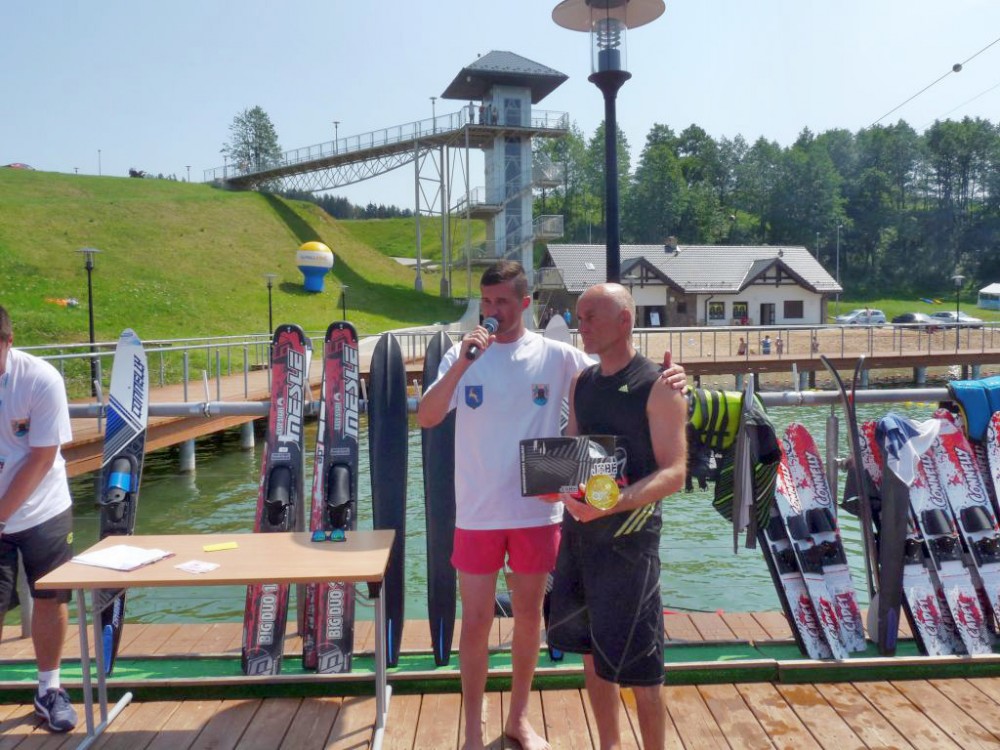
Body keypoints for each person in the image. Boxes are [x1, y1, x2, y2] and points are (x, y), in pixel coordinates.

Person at [418, 262, 685, 750]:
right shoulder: (462, 354)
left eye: (502, 302)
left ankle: (519, 719)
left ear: (524, 304)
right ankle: (473, 732)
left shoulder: (558, 356)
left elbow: (619, 367)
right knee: (474, 622)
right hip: (476, 512)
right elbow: (428, 417)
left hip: (538, 514)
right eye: (487, 301)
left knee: (528, 619)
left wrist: (676, 377)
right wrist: (462, 364)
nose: (493, 310)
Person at [544, 284, 687, 750]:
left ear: (624, 321)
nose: (580, 326)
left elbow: (675, 473)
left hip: (630, 545)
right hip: (582, 537)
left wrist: (612, 503)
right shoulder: (581, 382)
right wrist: (552, 483)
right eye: (578, 317)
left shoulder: (659, 385)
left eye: (591, 317)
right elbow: (574, 456)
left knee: (644, 669)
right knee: (591, 653)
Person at [0, 306, 77, 733]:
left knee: (49, 597)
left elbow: (43, 456)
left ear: (9, 342)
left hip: (43, 506)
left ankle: (49, 690)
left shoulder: (41, 379)